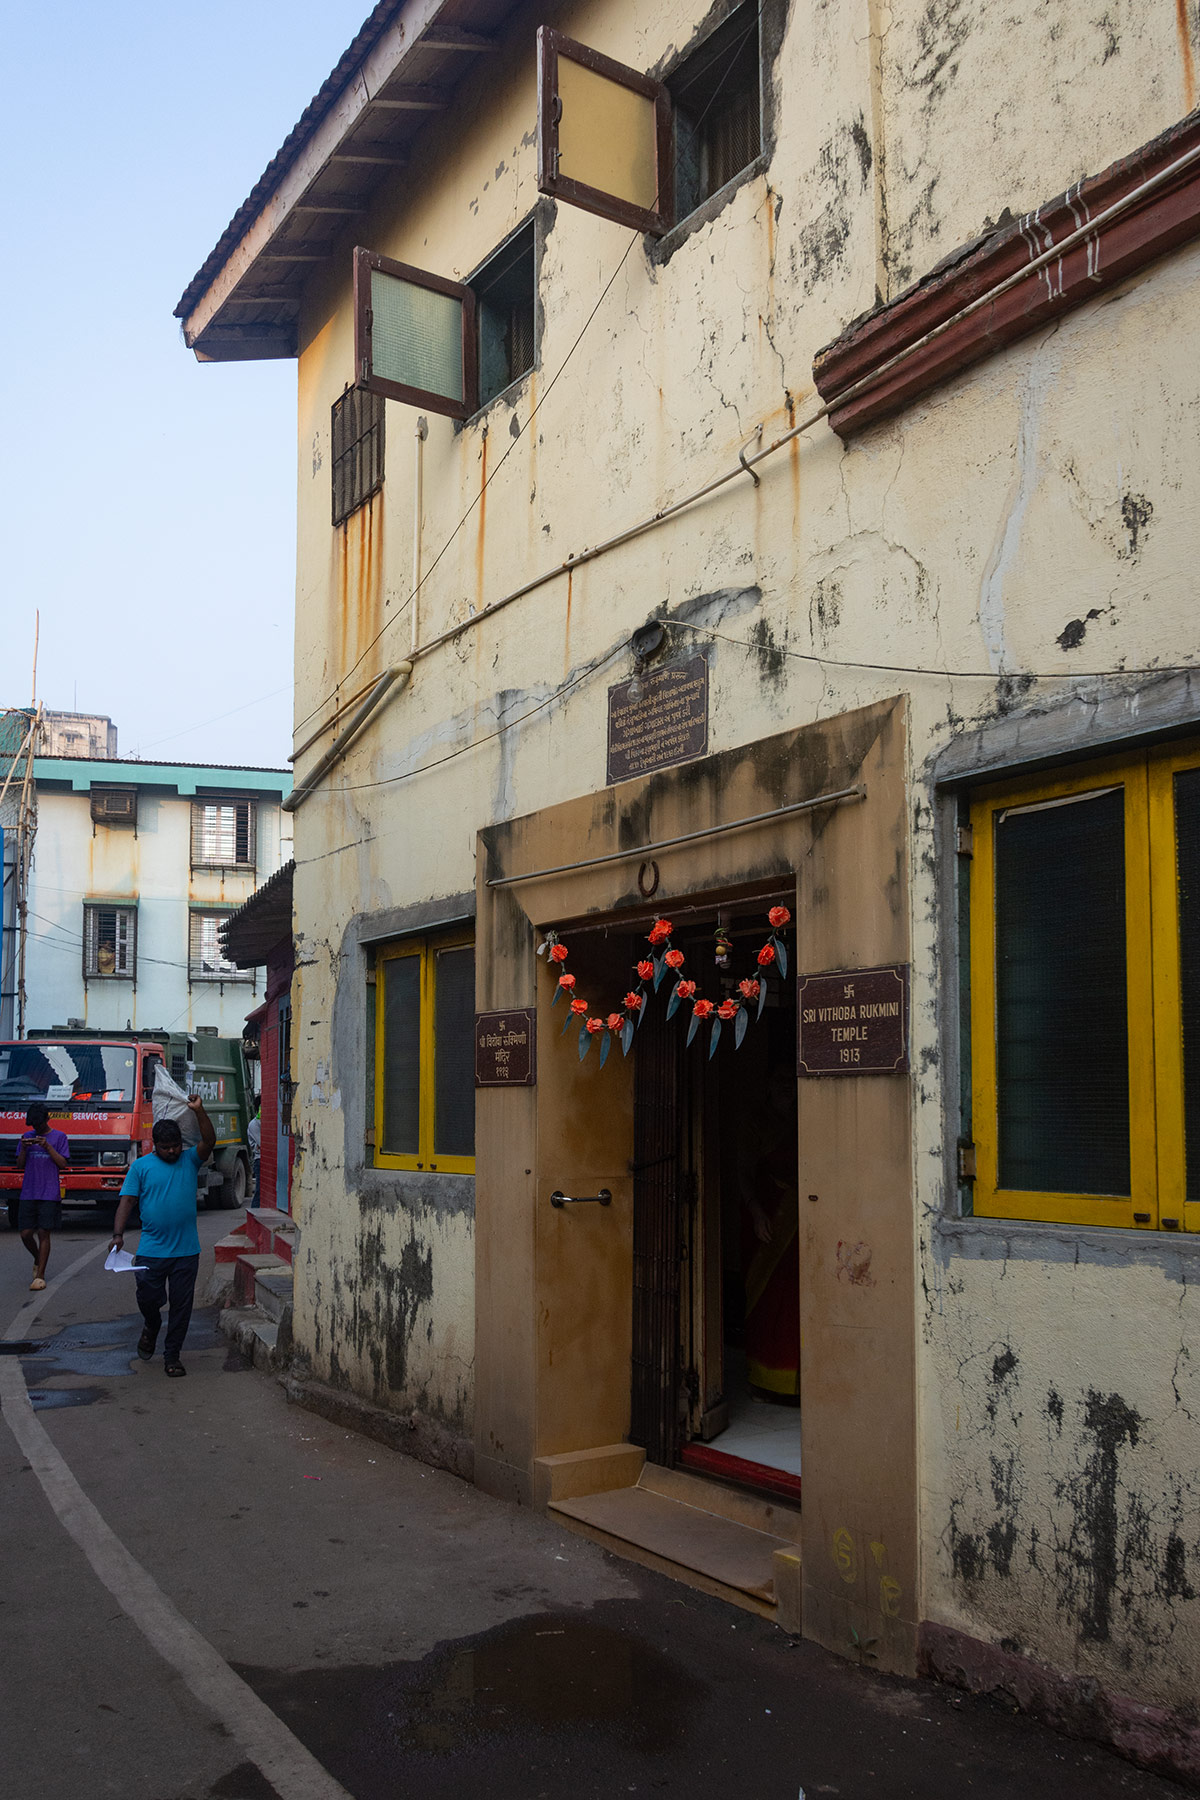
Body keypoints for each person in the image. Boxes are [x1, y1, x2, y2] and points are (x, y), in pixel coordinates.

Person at [109, 1097, 215, 1378]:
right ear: (154, 1145)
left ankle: (172, 1355)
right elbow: (127, 1201)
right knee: (148, 1299)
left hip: (186, 1251)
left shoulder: (190, 1160)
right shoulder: (141, 1167)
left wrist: (199, 1111)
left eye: (176, 1145)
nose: (172, 1151)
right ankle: (152, 1324)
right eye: (166, 1147)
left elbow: (209, 1140)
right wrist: (118, 1235)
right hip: (151, 1251)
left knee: (181, 1306)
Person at [16, 1102, 69, 1291]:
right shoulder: (26, 1137)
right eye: (33, 1125)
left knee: (43, 1232)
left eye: (39, 1124)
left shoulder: (59, 1137)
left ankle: (40, 1276)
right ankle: (38, 1258)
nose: (36, 1129)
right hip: (29, 1191)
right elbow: (20, 1165)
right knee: (25, 1233)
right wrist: (24, 1148)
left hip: (49, 1192)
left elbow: (63, 1164)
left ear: (47, 1119)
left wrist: (47, 1146)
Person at [247, 1105, 262, 1207]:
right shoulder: (254, 1124)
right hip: (259, 1159)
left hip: (262, 1158)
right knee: (259, 1190)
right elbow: (262, 1143)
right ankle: (255, 1209)